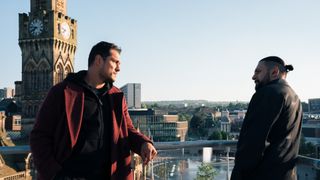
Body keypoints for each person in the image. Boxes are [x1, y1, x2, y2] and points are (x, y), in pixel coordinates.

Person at [30, 41, 157, 180]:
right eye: (114, 62)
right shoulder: (62, 92)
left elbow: (127, 129)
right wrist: (54, 174)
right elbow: (39, 136)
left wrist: (144, 143)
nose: (119, 68)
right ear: (98, 60)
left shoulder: (117, 96)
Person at [231, 56, 303, 180]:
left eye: (258, 71)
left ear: (274, 72)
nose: (253, 77)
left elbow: (253, 143)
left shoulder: (268, 93)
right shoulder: (295, 97)